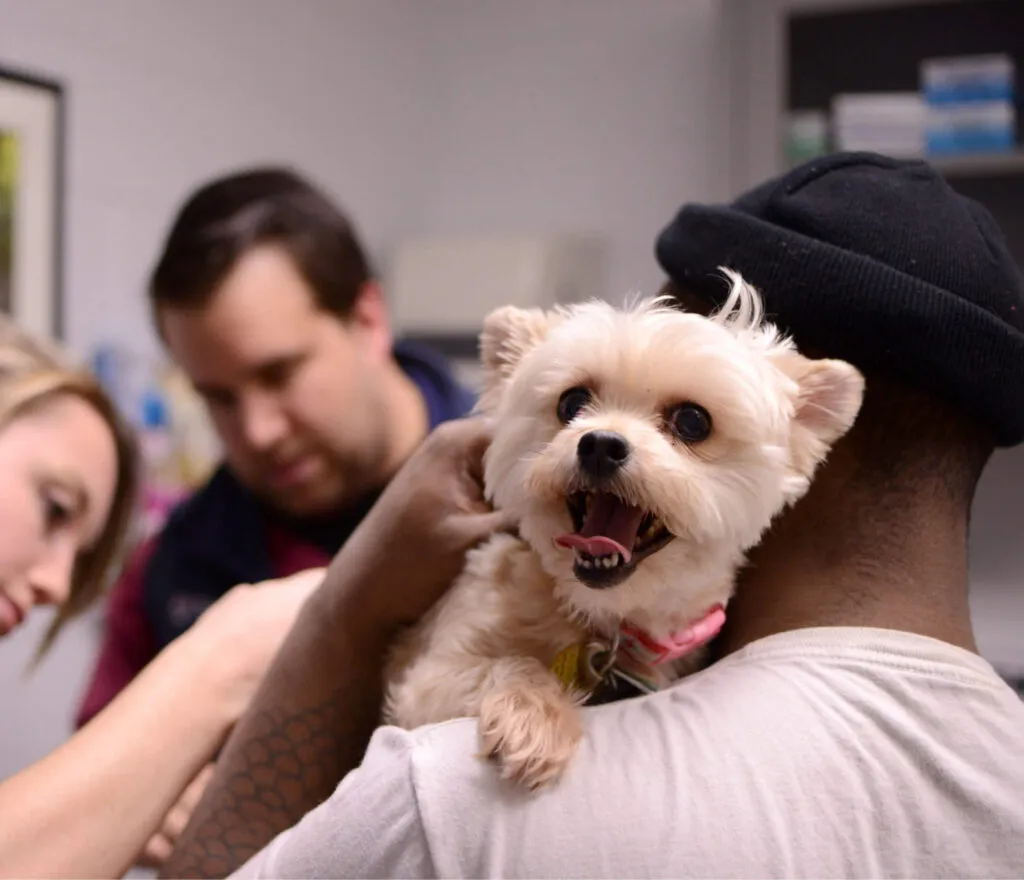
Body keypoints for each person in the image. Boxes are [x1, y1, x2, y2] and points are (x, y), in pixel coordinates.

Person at [162, 152, 1024, 879]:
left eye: (687, 421)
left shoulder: (463, 800)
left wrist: (342, 610)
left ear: (804, 436)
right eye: (576, 402)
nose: (608, 440)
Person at [76, 167, 474, 728]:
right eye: (218, 398)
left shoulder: (528, 493)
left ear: (367, 320)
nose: (257, 432)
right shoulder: (174, 566)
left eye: (279, 374)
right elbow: (101, 771)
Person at [0, 312, 324, 879]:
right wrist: (222, 664)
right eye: (54, 507)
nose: (55, 585)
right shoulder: (175, 559)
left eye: (79, 558)